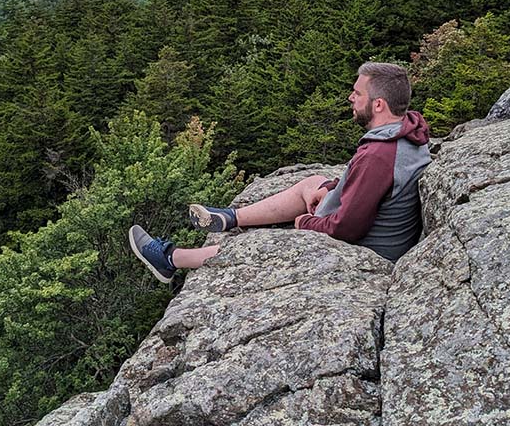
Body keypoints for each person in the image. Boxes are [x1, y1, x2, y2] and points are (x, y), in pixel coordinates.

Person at [129, 62, 431, 282]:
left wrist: (305, 223)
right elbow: (373, 187)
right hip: (377, 233)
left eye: (357, 93)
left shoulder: (379, 155)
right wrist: (331, 188)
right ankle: (232, 217)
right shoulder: (406, 132)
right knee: (314, 183)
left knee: (268, 246)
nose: (351, 98)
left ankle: (171, 258)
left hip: (366, 251)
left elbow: (346, 229)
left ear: (378, 104)